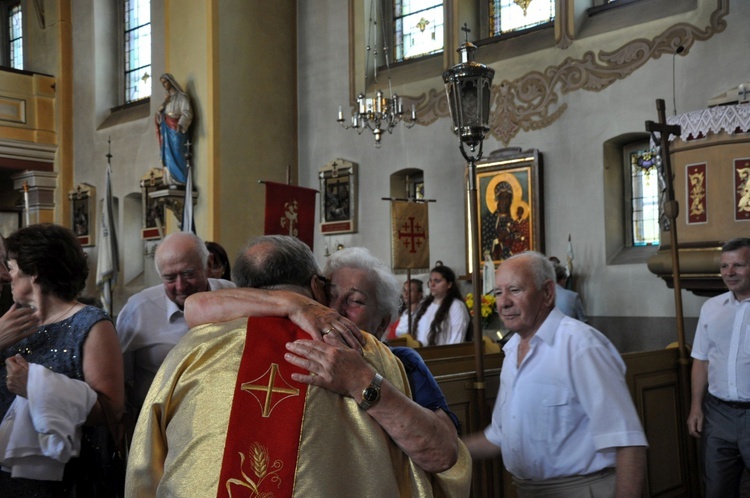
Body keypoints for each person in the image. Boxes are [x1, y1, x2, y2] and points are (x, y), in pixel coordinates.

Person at [126, 236, 470, 497]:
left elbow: (144, 465)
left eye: (353, 301)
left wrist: (361, 381)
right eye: (330, 295)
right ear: (315, 289)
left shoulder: (190, 351)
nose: (333, 310)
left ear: (383, 320)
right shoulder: (370, 351)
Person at [464, 251, 647, 497]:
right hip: (528, 490)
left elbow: (628, 442)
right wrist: (448, 449)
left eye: (515, 290)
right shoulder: (511, 351)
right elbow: (498, 435)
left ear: (548, 293)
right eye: (498, 292)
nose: (503, 302)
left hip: (582, 490)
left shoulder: (581, 346)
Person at [0, 224, 124, 495]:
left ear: (33, 272)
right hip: (9, 478)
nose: (9, 277)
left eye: (11, 267)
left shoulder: (90, 324)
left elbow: (112, 411)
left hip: (71, 479)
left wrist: (35, 386)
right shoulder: (11, 324)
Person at [116, 232, 235, 420]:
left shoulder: (233, 295)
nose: (180, 286)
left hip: (218, 419)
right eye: (170, 278)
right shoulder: (138, 310)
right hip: (158, 422)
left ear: (209, 264)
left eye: (188, 274)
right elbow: (119, 378)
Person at [688, 237, 750, 497]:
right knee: (716, 490)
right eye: (725, 266)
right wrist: (696, 407)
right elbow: (701, 359)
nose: (730, 273)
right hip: (718, 414)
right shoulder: (711, 308)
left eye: (738, 265)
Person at [412, 265, 470, 346]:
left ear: (449, 284)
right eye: (430, 280)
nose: (432, 284)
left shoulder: (456, 306)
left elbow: (457, 339)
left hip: (442, 355)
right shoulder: (423, 304)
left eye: (437, 281)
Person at [155, 73, 193, 185]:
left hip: (177, 131)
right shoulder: (167, 101)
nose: (164, 85)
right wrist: (164, 103)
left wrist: (180, 124)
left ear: (171, 81)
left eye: (165, 82)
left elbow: (187, 112)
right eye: (162, 83)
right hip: (166, 130)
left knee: (178, 153)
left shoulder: (182, 97)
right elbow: (157, 116)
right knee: (167, 156)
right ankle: (170, 179)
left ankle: (180, 180)